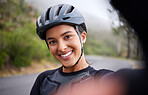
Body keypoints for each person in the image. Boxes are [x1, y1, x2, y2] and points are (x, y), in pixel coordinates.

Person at [30, 4, 115, 95]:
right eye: (52, 42)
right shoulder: (43, 79)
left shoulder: (101, 79)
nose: (61, 48)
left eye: (67, 36)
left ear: (82, 37)